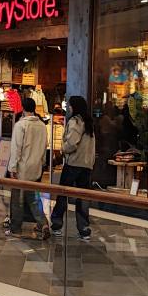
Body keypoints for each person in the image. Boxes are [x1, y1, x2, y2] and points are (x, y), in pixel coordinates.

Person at [50, 96, 96, 241]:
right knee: (82, 198)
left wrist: (62, 149)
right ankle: (84, 229)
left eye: (69, 105)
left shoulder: (75, 121)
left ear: (74, 106)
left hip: (73, 164)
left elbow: (72, 143)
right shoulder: (89, 123)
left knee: (63, 194)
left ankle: (56, 225)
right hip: (86, 165)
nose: (68, 108)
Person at [6, 96, 50, 239]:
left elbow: (16, 148)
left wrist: (12, 167)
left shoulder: (21, 125)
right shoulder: (42, 126)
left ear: (23, 109)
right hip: (36, 167)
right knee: (34, 198)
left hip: (22, 168)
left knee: (17, 200)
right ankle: (43, 223)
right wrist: (42, 163)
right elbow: (45, 147)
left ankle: (15, 228)